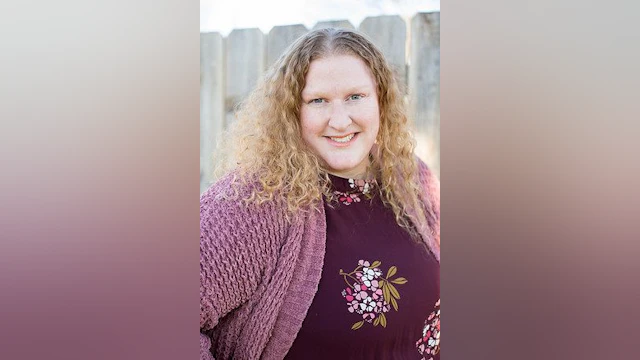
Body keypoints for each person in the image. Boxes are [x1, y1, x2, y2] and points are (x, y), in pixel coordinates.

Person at [200, 27, 440, 360]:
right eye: (318, 101)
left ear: (381, 100)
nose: (340, 121)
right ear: (291, 113)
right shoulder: (253, 200)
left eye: (355, 96)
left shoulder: (412, 178)